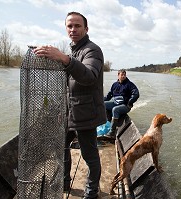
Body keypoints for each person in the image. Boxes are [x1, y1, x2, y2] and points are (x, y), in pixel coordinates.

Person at [34, 12, 106, 199]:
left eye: (77, 26)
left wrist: (64, 59)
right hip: (68, 113)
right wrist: (61, 110)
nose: (73, 29)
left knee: (90, 155)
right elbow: (67, 88)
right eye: (69, 26)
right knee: (61, 149)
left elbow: (89, 76)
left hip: (86, 114)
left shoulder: (92, 50)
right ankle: (65, 182)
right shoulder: (73, 52)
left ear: (86, 29)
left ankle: (91, 191)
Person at [102, 69, 139, 139]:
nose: (123, 76)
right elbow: (108, 96)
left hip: (125, 105)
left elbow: (136, 94)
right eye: (122, 75)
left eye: (124, 75)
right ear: (118, 75)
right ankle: (108, 121)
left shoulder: (129, 84)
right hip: (115, 103)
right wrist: (100, 100)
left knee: (115, 109)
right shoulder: (114, 85)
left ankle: (112, 132)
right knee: (103, 104)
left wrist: (130, 102)